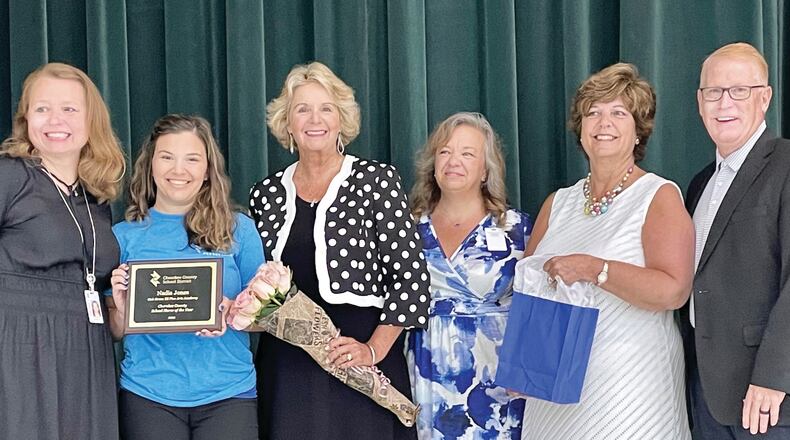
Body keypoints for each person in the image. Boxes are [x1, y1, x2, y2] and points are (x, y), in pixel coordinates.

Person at [249, 61, 430, 439]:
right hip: (287, 367)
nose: (315, 119)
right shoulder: (265, 194)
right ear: (287, 123)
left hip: (358, 357)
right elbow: (251, 281)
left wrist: (373, 350)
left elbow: (411, 279)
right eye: (303, 109)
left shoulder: (376, 181)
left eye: (326, 108)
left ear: (341, 119)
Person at [520, 63, 694, 439]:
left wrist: (595, 268)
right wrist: (526, 362)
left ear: (638, 131)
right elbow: (532, 289)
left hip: (629, 384)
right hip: (556, 387)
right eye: (593, 113)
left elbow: (674, 290)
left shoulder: (658, 195)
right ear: (580, 130)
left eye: (618, 113)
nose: (604, 123)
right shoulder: (558, 203)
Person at [107, 114, 264, 440]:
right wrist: (122, 309)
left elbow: (268, 316)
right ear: (150, 164)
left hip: (229, 392)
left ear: (207, 170)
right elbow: (116, 331)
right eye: (167, 157)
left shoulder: (239, 228)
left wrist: (232, 314)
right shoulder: (123, 237)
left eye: (192, 159)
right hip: (148, 394)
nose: (179, 170)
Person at [0, 62, 125, 439]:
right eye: (42, 108)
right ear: (26, 118)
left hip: (87, 347)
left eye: (70, 109)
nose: (56, 120)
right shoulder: (10, 175)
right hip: (20, 345)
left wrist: (118, 306)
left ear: (91, 121)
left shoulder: (95, 196)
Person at [683, 42, 790, 439]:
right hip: (705, 391)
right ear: (699, 102)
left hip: (768, 397)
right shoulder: (699, 184)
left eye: (739, 90)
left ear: (765, 98)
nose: (723, 102)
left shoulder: (786, 165)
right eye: (713, 91)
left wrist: (775, 376)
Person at [406, 112, 533, 439]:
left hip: (495, 381)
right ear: (433, 164)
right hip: (423, 372)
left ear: (485, 169)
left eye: (467, 153)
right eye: (445, 152)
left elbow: (538, 306)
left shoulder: (517, 229)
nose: (453, 161)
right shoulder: (407, 228)